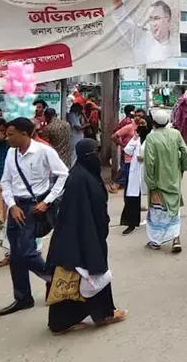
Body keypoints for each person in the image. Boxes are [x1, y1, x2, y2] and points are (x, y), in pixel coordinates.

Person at [45, 139, 127, 333]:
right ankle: (105, 314)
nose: (97, 157)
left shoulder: (84, 174)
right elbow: (80, 211)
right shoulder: (80, 178)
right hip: (83, 234)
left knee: (79, 276)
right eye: (94, 152)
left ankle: (63, 321)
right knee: (93, 273)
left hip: (83, 233)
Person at [0, 117, 70, 317]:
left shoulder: (44, 151)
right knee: (15, 256)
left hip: (34, 206)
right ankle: (23, 298)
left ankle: (55, 279)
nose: (6, 137)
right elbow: (6, 181)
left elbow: (63, 174)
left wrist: (48, 201)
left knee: (27, 252)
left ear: (24, 134)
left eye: (11, 134)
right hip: (16, 207)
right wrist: (11, 206)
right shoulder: (11, 153)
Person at [144, 109, 187, 252]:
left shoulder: (151, 138)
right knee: (174, 209)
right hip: (174, 178)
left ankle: (156, 241)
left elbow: (149, 162)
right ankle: (176, 238)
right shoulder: (175, 134)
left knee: (158, 212)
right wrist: (182, 168)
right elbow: (185, 152)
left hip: (158, 180)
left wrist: (150, 182)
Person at [109, 0, 172, 66]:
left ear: (168, 19)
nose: (153, 23)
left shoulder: (175, 44)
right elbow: (122, 19)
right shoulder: (140, 38)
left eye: (156, 18)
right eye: (150, 19)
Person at [120, 118, 150, 235]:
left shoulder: (152, 137)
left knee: (153, 197)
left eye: (144, 124)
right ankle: (131, 223)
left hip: (148, 171)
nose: (141, 126)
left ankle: (152, 222)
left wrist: (146, 157)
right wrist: (135, 137)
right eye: (140, 124)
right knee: (132, 198)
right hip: (136, 171)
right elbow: (127, 150)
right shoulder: (136, 139)